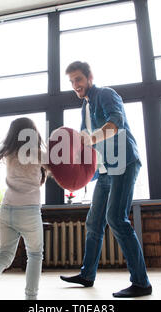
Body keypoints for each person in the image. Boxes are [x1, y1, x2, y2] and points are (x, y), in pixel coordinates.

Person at [60, 61, 152, 297]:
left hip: (124, 163)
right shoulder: (85, 108)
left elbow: (115, 122)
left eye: (78, 79)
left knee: (116, 218)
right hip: (104, 171)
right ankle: (87, 275)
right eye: (71, 82)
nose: (75, 85)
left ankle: (141, 283)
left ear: (90, 77)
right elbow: (84, 143)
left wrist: (91, 138)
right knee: (94, 221)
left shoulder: (106, 95)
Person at [0, 117, 47, 300]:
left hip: (6, 210)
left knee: (4, 255)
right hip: (29, 211)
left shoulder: (8, 154)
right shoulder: (37, 153)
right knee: (35, 254)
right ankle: (31, 298)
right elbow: (61, 165)